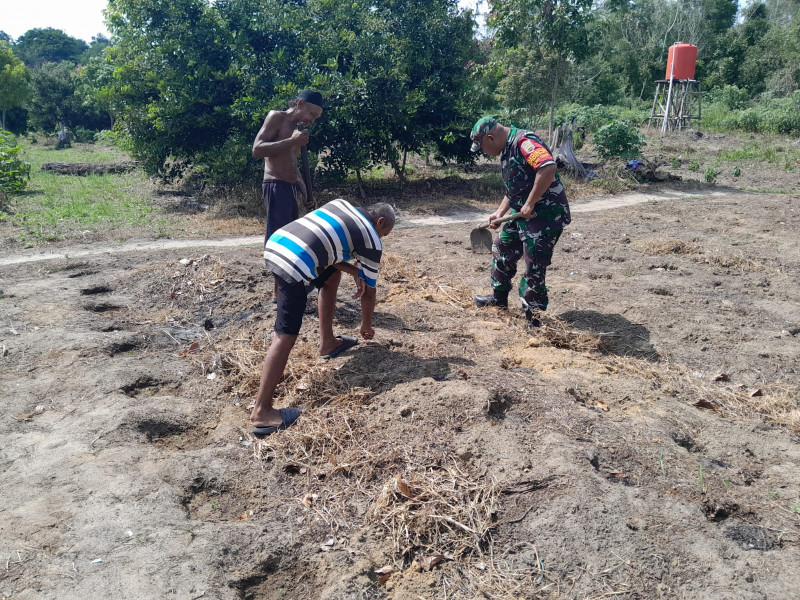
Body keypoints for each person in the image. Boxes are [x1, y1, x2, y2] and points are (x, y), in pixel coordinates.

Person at [250, 200, 396, 435]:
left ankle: (327, 343)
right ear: (380, 222)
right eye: (384, 233)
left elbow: (325, 247)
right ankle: (262, 411)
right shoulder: (371, 237)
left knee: (330, 276)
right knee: (285, 335)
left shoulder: (341, 205)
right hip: (293, 262)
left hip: (277, 243)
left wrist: (353, 270)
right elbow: (369, 292)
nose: (382, 239)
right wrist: (366, 325)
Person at [469, 116, 571, 328]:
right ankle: (499, 299)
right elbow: (515, 188)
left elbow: (547, 168)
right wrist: (499, 213)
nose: (484, 153)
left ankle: (533, 318)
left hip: (544, 215)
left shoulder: (524, 142)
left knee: (534, 265)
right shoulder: (507, 149)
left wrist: (530, 202)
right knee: (502, 247)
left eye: (482, 147)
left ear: (490, 138)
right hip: (521, 213)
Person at [252, 89, 324, 297]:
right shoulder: (277, 117)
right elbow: (257, 149)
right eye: (312, 114)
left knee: (291, 239)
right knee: (280, 240)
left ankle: (284, 290)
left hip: (290, 187)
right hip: (275, 186)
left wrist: (306, 194)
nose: (312, 121)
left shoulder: (298, 129)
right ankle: (282, 294)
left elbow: (293, 166)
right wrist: (292, 141)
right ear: (300, 104)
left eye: (316, 118)